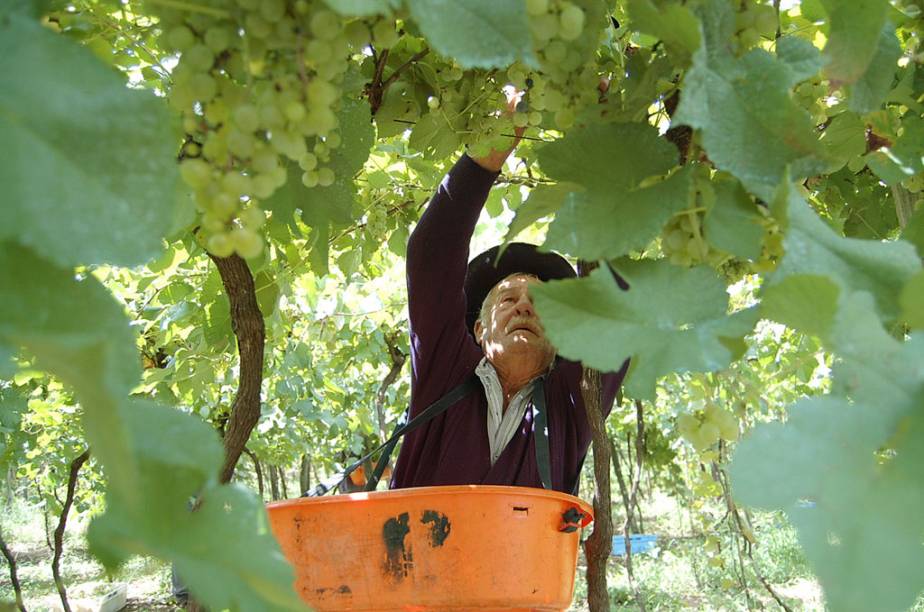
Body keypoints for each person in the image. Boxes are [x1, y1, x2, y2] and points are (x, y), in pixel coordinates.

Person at [390, 109, 628, 495]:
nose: (524, 307)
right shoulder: (446, 372)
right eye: (507, 299)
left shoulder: (573, 403)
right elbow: (431, 256)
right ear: (480, 330)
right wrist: (485, 157)